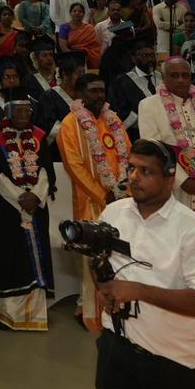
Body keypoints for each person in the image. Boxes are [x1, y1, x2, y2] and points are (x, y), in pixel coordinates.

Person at [93, 139, 195, 389]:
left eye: (146, 171)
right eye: (131, 168)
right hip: (115, 350)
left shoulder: (193, 230)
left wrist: (139, 291)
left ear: (169, 178)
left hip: (170, 363)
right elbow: (97, 258)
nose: (134, 177)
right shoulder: (113, 213)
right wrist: (103, 287)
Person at [138, 57, 195, 300]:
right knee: (170, 244)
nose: (180, 80)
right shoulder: (149, 105)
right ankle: (172, 301)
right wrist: (183, 180)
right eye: (174, 75)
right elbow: (152, 149)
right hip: (171, 188)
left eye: (185, 75)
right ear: (163, 78)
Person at [59, 74, 131, 331]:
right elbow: (74, 166)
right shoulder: (70, 124)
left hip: (120, 200)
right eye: (93, 91)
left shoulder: (114, 120)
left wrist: (122, 189)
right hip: (90, 200)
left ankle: (119, 306)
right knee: (91, 256)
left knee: (118, 254)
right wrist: (103, 194)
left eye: (102, 90)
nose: (99, 95)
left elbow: (128, 154)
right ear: (80, 93)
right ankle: (90, 311)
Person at [0, 98, 53, 332]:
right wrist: (20, 198)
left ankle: (36, 314)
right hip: (6, 209)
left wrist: (36, 196)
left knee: (36, 255)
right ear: (7, 113)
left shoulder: (38, 136)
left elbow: (45, 169)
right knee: (9, 255)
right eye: (18, 111)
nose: (23, 115)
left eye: (27, 110)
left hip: (36, 206)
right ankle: (8, 314)